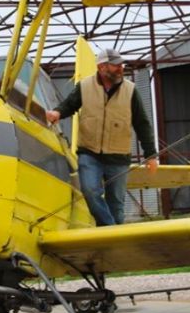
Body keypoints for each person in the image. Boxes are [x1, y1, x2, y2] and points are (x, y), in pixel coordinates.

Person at [45, 48, 158, 226]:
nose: (120, 68)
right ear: (102, 67)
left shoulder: (130, 91)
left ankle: (113, 236)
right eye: (115, 65)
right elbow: (69, 105)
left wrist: (150, 154)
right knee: (90, 191)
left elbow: (142, 123)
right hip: (89, 153)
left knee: (116, 206)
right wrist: (57, 113)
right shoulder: (84, 86)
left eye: (121, 65)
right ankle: (111, 230)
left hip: (119, 157)